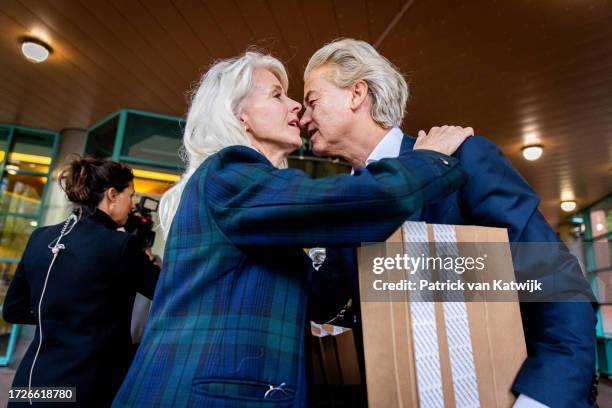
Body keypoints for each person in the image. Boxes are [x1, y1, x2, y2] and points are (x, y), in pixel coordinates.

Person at [112, 51, 472, 407]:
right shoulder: (228, 173)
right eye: (276, 94)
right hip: (196, 396)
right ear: (240, 114)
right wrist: (429, 160)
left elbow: (323, 299)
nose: (297, 105)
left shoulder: (257, 202)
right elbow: (342, 205)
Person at [301, 38, 598, 408]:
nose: (302, 118)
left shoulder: (463, 159)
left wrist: (538, 400)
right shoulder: (347, 199)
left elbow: (556, 283)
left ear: (357, 94)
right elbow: (323, 303)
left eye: (312, 102)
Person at [3, 158, 161, 407]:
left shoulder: (40, 237)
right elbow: (164, 290)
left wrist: (60, 316)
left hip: (29, 385)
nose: (132, 205)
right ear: (112, 195)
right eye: (130, 196)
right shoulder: (119, 246)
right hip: (83, 388)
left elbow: (12, 309)